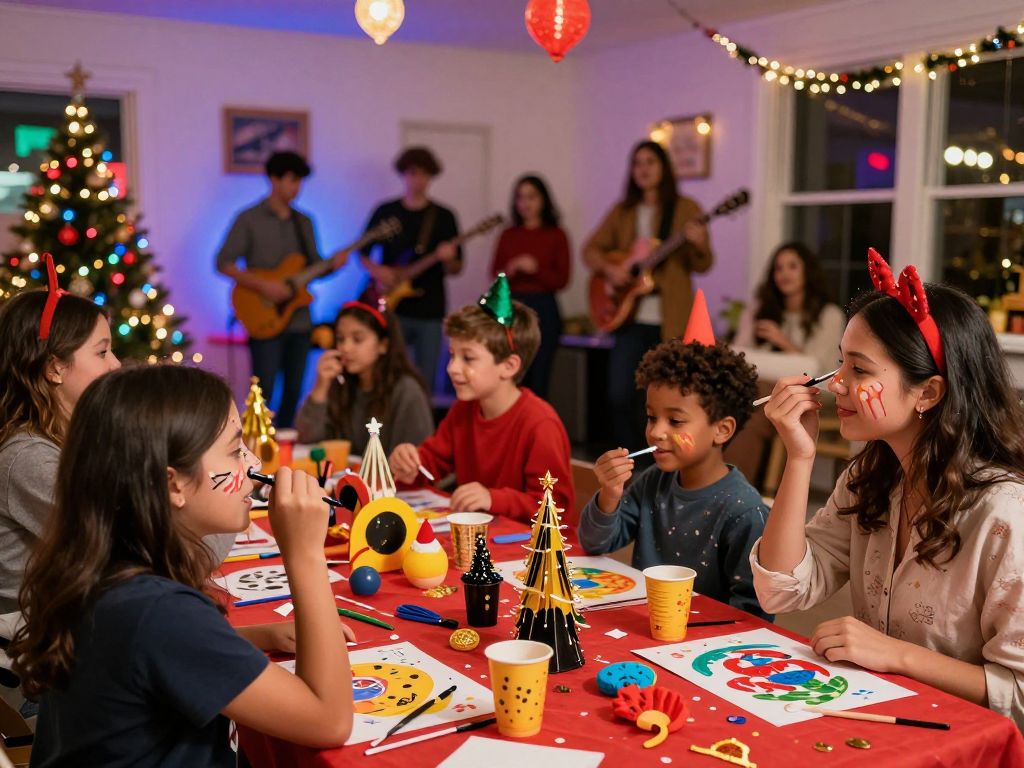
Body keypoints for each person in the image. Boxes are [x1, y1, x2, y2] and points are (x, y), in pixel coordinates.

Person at [10, 366, 357, 765]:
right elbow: (329, 720)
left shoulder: (111, 572)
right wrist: (305, 554)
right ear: (173, 484)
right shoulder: (157, 611)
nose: (252, 461)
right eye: (234, 449)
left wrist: (256, 637)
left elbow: (158, 661)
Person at [753, 249, 1024, 730]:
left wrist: (896, 655)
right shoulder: (872, 476)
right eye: (841, 364)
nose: (836, 383)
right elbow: (781, 590)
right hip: (879, 721)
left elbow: (1018, 693)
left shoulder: (1006, 514)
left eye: (859, 370)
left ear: (928, 393)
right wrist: (799, 457)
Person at [578, 299, 769, 619]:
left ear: (721, 430)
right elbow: (595, 544)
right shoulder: (652, 481)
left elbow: (753, 611)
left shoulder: (744, 510)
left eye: (675, 421)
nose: (656, 432)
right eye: (652, 417)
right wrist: (609, 495)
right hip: (649, 626)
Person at [389, 275, 574, 521]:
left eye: (468, 358)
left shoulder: (540, 424)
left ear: (508, 366)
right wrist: (410, 463)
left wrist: (493, 498)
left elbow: (555, 507)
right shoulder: (464, 410)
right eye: (453, 355)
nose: (452, 368)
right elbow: (431, 465)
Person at [583, 140, 712, 451]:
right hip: (629, 317)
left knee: (665, 398)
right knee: (619, 393)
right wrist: (613, 271)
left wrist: (697, 243)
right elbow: (590, 251)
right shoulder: (622, 211)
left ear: (663, 168)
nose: (643, 169)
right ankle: (634, 459)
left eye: (650, 162)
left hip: (670, 320)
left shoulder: (686, 208)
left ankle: (664, 462)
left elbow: (704, 264)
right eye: (637, 163)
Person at [215, 151, 348, 428]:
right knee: (263, 389)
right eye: (291, 180)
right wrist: (264, 285)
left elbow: (314, 267)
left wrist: (333, 265)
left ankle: (287, 443)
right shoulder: (249, 219)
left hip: (299, 318)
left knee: (294, 389)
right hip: (263, 315)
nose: (296, 187)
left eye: (299, 181)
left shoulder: (305, 222)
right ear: (274, 179)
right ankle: (258, 447)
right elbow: (222, 262)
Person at [727, 242, 846, 484]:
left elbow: (819, 369)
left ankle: (734, 484)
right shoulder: (759, 310)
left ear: (807, 272)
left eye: (792, 266)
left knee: (764, 397)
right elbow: (739, 354)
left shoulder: (829, 315)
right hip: (763, 387)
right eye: (778, 268)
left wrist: (782, 341)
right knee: (747, 397)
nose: (784, 274)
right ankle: (740, 484)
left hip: (816, 390)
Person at [360, 147, 462, 394]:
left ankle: (422, 429)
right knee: (388, 374)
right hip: (393, 308)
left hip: (430, 308)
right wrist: (379, 271)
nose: (417, 180)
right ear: (403, 174)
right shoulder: (387, 212)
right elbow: (361, 252)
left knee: (425, 380)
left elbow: (456, 267)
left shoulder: (444, 216)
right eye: (412, 173)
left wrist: (448, 259)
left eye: (424, 174)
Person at [295, 301, 433, 455]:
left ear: (383, 345)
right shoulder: (341, 383)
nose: (345, 348)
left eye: (357, 339)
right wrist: (321, 385)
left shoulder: (406, 390)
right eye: (340, 339)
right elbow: (307, 439)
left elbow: (415, 459)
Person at [490, 174, 570, 399]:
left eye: (531, 197)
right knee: (511, 376)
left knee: (540, 378)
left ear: (543, 200)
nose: (525, 203)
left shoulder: (556, 234)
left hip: (544, 308)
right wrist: (511, 269)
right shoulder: (508, 234)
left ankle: (536, 430)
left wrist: (536, 269)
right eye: (520, 197)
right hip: (512, 308)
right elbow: (495, 276)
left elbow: (562, 280)